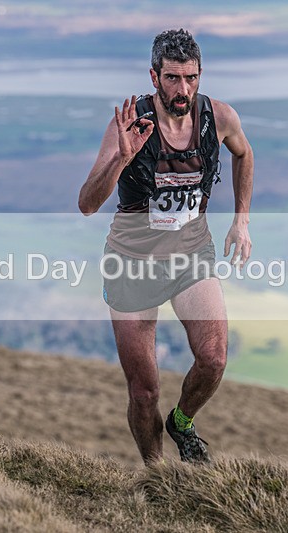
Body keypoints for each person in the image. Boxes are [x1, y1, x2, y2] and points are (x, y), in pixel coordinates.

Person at [78, 29, 253, 464]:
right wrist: (121, 158)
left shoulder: (219, 117)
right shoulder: (129, 124)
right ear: (154, 76)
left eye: (191, 78)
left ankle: (182, 421)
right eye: (173, 78)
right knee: (144, 391)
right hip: (132, 264)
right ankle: (156, 474)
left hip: (191, 256)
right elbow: (87, 204)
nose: (183, 89)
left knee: (213, 359)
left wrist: (241, 220)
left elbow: (243, 154)